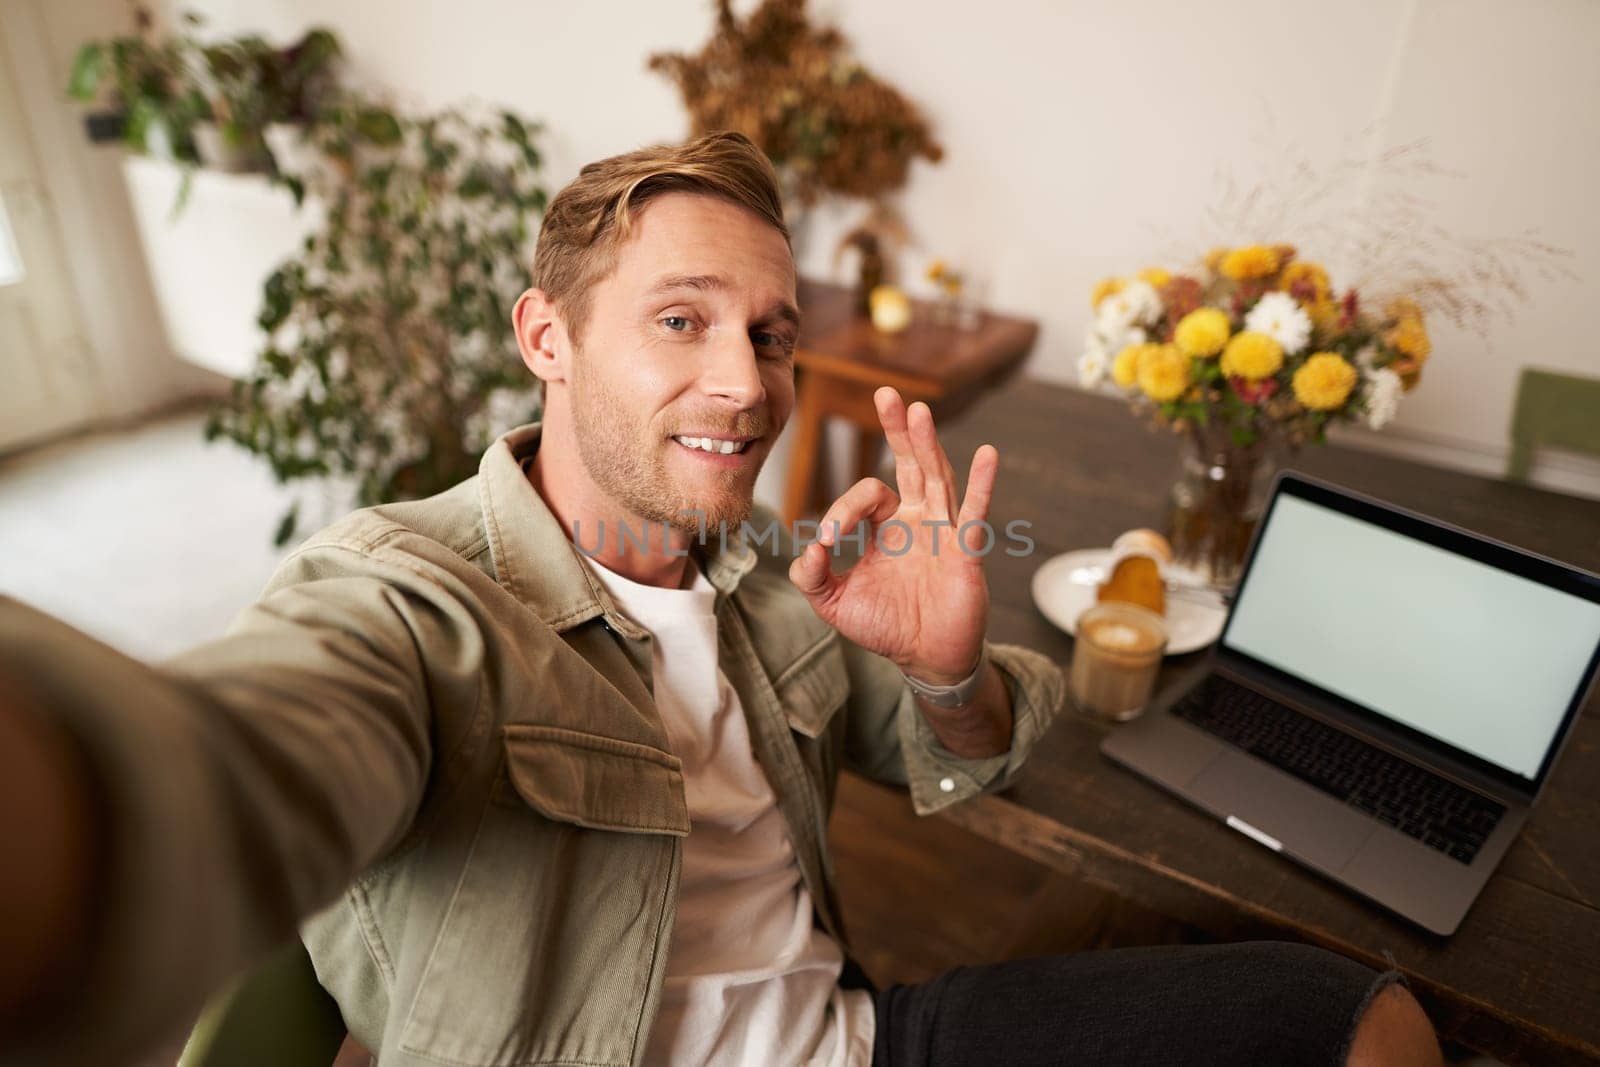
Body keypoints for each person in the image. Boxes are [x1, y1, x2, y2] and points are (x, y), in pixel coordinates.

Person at [0, 131, 1442, 1067]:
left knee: (1366, 1026)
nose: (747, 386)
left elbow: (975, 742)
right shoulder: (415, 603)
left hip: (855, 1039)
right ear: (546, 338)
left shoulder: (767, 574)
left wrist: (950, 671)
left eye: (769, 334)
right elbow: (242, 765)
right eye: (680, 321)